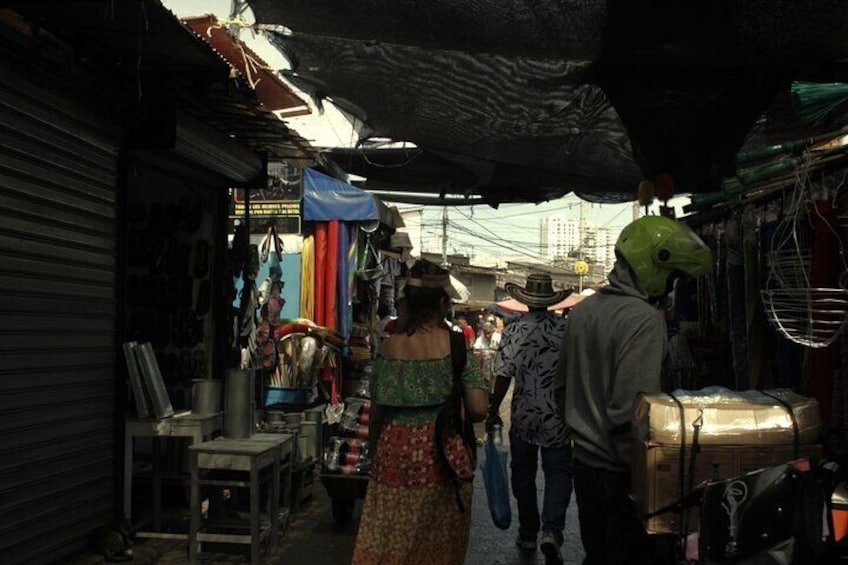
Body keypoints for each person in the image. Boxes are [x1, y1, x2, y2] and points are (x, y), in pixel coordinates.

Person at [553, 215, 712, 565]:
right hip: (622, 472)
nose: (672, 288)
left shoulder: (583, 312)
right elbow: (632, 410)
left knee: (597, 555)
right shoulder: (643, 319)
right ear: (656, 266)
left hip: (585, 466)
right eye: (673, 277)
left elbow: (561, 388)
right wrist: (650, 481)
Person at [352, 260, 488, 565]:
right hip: (441, 455)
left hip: (391, 454)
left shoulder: (388, 349)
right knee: (435, 541)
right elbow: (479, 410)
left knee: (390, 538)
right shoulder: (456, 346)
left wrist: (376, 455)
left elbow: (376, 415)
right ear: (443, 303)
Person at [487, 273, 573, 564]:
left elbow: (503, 375)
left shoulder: (514, 330)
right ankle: (551, 531)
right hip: (557, 416)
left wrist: (492, 410)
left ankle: (527, 532)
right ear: (550, 302)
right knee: (558, 473)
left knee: (523, 475)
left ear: (526, 301)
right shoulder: (565, 329)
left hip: (524, 415)